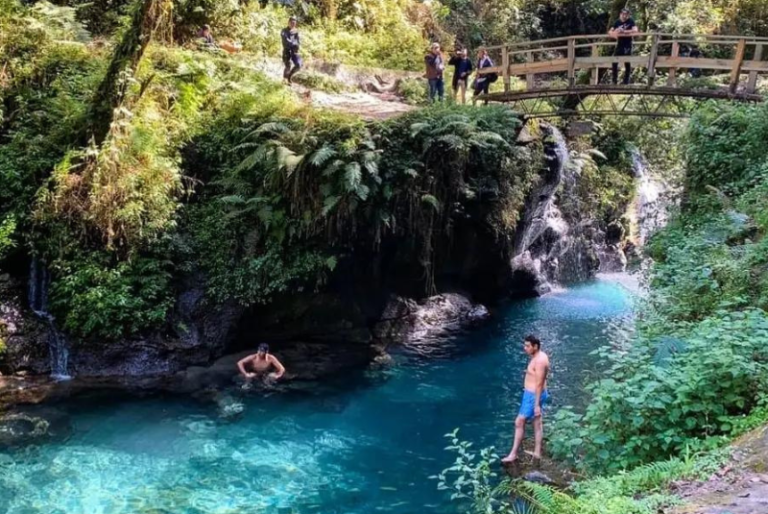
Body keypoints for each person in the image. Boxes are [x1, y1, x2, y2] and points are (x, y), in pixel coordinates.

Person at [501, 335, 550, 464]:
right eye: (525, 345)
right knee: (537, 422)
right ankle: (537, 453)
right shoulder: (539, 356)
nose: (525, 348)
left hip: (533, 395)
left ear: (536, 346)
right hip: (535, 394)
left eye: (528, 346)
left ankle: (513, 454)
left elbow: (539, 383)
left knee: (519, 422)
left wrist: (536, 405)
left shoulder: (539, 361)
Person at [608, 8, 639, 85]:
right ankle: (614, 80)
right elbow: (610, 31)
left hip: (628, 43)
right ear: (620, 14)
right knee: (614, 61)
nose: (624, 16)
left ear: (628, 15)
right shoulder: (617, 22)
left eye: (626, 14)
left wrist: (624, 31)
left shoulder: (630, 21)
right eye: (623, 14)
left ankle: (626, 81)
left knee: (627, 62)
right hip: (619, 44)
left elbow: (635, 30)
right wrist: (615, 32)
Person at [281, 16, 302, 84]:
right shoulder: (284, 31)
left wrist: (297, 46)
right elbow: (286, 40)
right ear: (288, 22)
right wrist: (294, 44)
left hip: (294, 51)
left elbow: (298, 41)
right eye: (291, 22)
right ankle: (285, 80)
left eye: (294, 23)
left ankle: (289, 77)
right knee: (288, 65)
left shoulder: (296, 31)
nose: (293, 24)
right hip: (286, 50)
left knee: (299, 64)